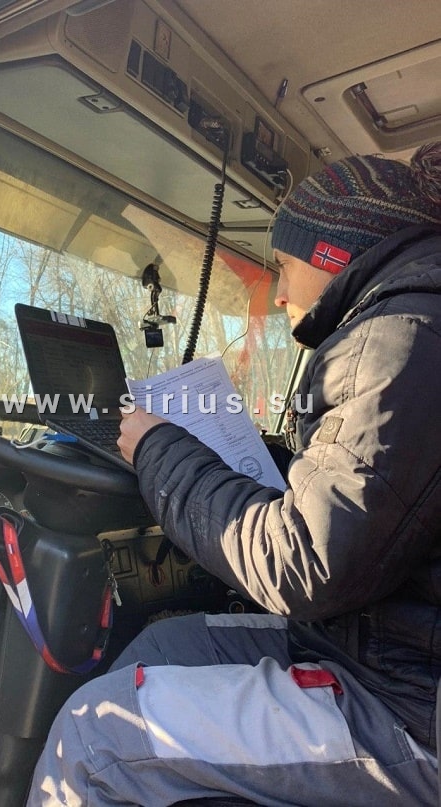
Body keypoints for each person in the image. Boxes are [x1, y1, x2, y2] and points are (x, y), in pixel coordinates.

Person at [28, 143, 441, 806]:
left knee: (93, 735)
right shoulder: (400, 329)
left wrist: (158, 450)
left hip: (409, 709)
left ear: (333, 254)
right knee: (161, 644)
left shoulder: (398, 339)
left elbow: (302, 562)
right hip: (379, 651)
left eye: (284, 267)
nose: (279, 294)